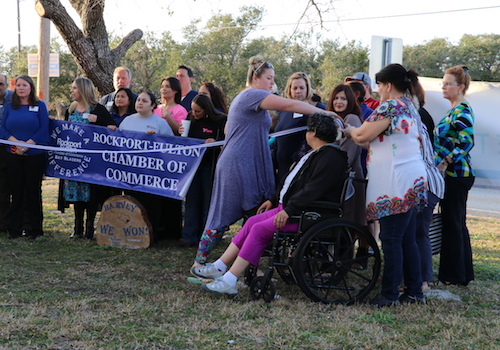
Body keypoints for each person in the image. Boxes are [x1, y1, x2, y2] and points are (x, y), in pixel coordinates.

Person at [192, 55, 338, 269]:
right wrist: (325, 112)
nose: (272, 83)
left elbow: (228, 129)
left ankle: (242, 268)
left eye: (273, 78)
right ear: (256, 77)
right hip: (239, 164)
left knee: (254, 212)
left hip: (249, 161)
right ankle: (201, 264)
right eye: (269, 78)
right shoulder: (252, 94)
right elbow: (289, 104)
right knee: (224, 214)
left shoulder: (246, 98)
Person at [192, 113, 348, 295]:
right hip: (293, 208)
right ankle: (219, 266)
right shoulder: (316, 154)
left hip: (308, 214)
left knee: (259, 230)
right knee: (251, 222)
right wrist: (273, 200)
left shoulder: (330, 157)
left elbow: (312, 190)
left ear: (312, 133)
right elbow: (291, 183)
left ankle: (230, 279)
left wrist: (289, 210)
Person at [343, 63, 427, 307]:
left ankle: (389, 295)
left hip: (395, 182)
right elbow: (377, 141)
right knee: (406, 239)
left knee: (391, 239)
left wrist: (347, 129)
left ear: (389, 86)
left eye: (379, 86)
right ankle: (413, 292)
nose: (379, 91)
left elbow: (361, 135)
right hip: (411, 179)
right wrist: (360, 137)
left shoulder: (390, 106)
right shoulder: (409, 107)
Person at [61, 77, 117, 239]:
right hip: (73, 159)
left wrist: (98, 120)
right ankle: (77, 227)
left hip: (91, 160)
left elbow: (112, 126)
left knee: (90, 194)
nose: (72, 91)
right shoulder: (70, 110)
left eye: (74, 88)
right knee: (76, 193)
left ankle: (89, 228)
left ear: (83, 90)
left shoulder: (97, 109)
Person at [434, 65, 475, 286]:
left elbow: (467, 142)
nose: (444, 86)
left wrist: (445, 162)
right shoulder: (453, 110)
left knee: (454, 223)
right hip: (453, 174)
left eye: (448, 83)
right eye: (443, 82)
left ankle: (455, 276)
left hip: (457, 174)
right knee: (455, 222)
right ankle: (461, 274)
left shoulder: (462, 110)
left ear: (460, 87)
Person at [120, 91, 177, 241]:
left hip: (152, 175)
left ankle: (153, 234)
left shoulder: (160, 123)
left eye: (144, 101)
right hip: (131, 173)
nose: (139, 103)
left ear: (153, 106)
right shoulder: (127, 121)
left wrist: (156, 139)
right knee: (133, 202)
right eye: (138, 100)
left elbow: (171, 146)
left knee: (151, 205)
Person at [0, 75, 49, 239]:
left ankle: (34, 229)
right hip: (13, 155)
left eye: (24, 85)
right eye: (18, 85)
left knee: (33, 191)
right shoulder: (9, 107)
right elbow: (2, 130)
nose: (21, 88)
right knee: (17, 191)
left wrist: (27, 144)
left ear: (31, 88)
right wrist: (16, 144)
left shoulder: (40, 106)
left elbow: (44, 129)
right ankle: (14, 229)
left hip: (34, 155)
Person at [411, 80, 445, 292]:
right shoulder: (417, 117)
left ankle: (423, 281)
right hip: (423, 183)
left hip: (427, 184)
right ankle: (417, 277)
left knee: (419, 232)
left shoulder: (417, 119)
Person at [180, 94, 226, 247]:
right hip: (193, 165)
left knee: (208, 201)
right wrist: (180, 132)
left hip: (211, 164)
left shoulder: (220, 119)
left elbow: (227, 141)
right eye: (192, 110)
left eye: (198, 111)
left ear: (207, 110)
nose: (194, 114)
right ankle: (189, 236)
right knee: (192, 201)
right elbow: (184, 141)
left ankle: (206, 237)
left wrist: (215, 141)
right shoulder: (190, 118)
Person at [326, 84, 366, 228]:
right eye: (336, 98)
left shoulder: (351, 119)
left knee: (347, 227)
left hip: (349, 182)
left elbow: (348, 156)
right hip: (339, 179)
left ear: (350, 101)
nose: (339, 102)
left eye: (343, 98)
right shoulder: (332, 120)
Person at [273, 72, 314, 184]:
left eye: (301, 88)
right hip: (280, 168)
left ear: (307, 89)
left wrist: (298, 161)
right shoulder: (284, 112)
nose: (298, 91)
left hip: (297, 169)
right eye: (294, 88)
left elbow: (310, 142)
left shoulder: (311, 113)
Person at [0, 73, 13, 233]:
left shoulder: (13, 98)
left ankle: (8, 223)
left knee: (9, 186)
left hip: (10, 147)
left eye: (1, 84)